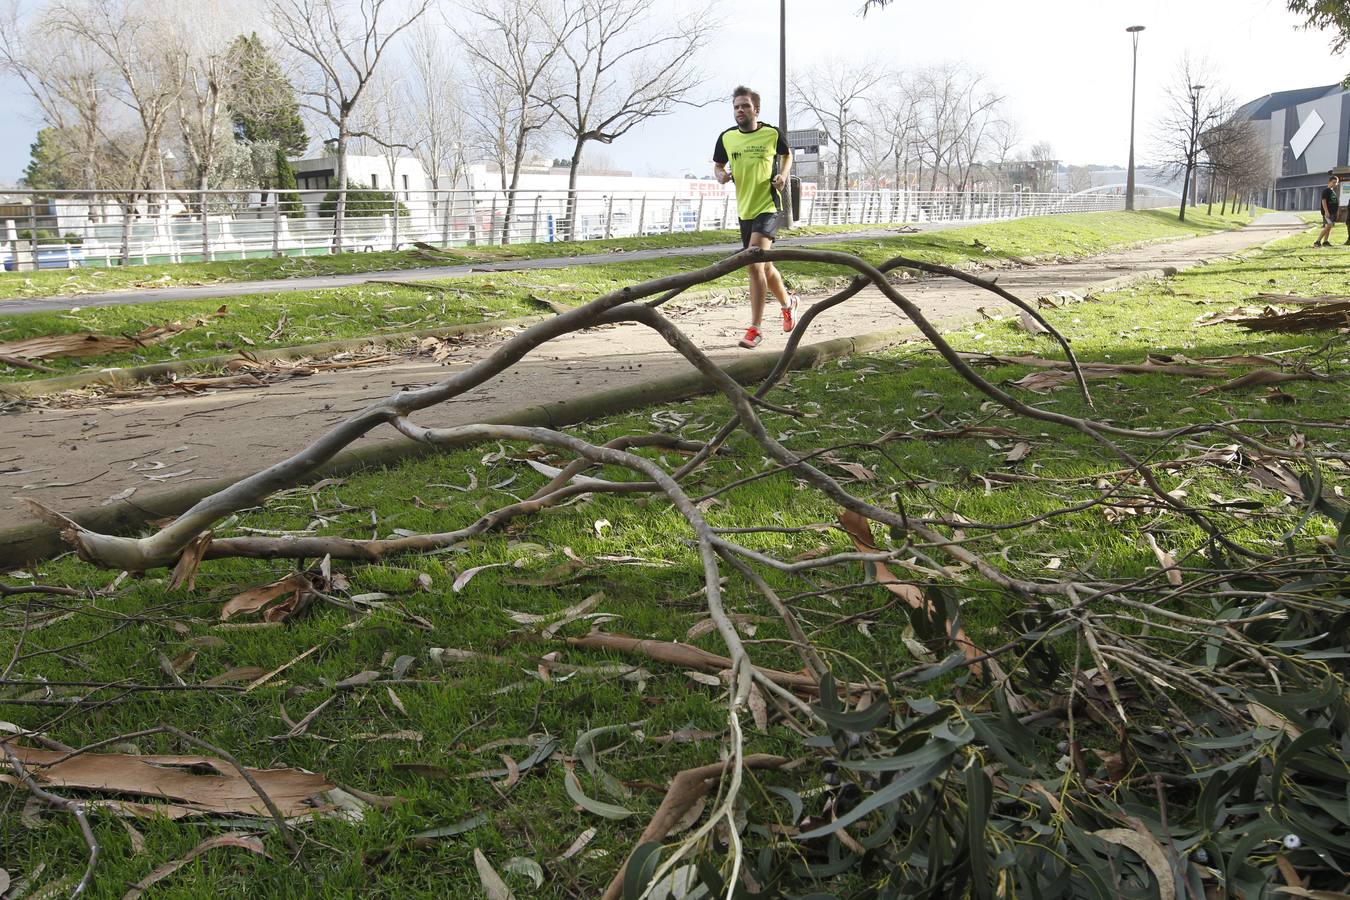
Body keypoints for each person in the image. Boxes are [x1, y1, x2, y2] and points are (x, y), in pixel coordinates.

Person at [713, 85, 797, 349]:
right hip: (745, 211)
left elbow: (787, 155)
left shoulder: (771, 133)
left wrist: (782, 176)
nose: (740, 110)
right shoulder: (726, 138)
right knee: (765, 266)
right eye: (736, 106)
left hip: (768, 206)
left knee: (753, 263)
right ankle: (788, 303)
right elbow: (718, 165)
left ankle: (756, 328)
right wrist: (721, 176)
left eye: (745, 106)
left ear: (756, 109)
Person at [1314, 172, 1339, 247]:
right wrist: (1326, 211)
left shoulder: (1332, 191)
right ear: (1329, 182)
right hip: (1327, 213)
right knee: (1328, 225)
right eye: (1333, 182)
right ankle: (1317, 242)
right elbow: (1323, 201)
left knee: (1329, 227)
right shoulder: (1326, 191)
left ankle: (1325, 242)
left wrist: (1336, 213)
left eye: (1336, 183)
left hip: (1332, 213)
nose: (1335, 184)